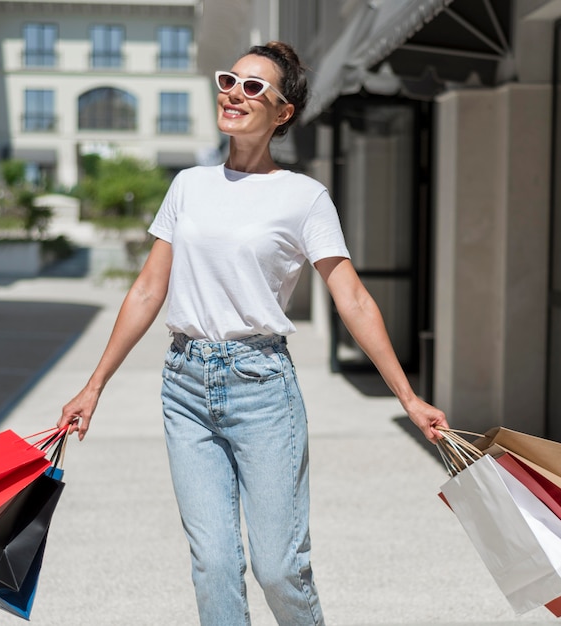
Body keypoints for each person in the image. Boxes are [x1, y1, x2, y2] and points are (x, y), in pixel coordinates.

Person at [58, 41, 449, 626]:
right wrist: (94, 387)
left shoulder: (303, 197)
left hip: (261, 388)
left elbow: (353, 298)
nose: (234, 94)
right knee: (213, 564)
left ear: (283, 111)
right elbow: (146, 290)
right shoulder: (188, 184)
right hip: (185, 386)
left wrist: (408, 397)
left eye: (252, 87)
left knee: (278, 568)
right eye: (229, 81)